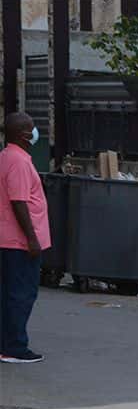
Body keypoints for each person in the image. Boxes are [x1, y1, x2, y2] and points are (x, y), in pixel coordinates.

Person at [0, 112, 49, 363]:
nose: (35, 132)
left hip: (7, 238)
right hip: (18, 241)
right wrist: (31, 239)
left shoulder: (7, 156)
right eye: (31, 128)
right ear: (23, 134)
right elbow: (18, 202)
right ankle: (15, 347)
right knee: (21, 294)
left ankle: (6, 343)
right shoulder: (18, 162)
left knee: (9, 293)